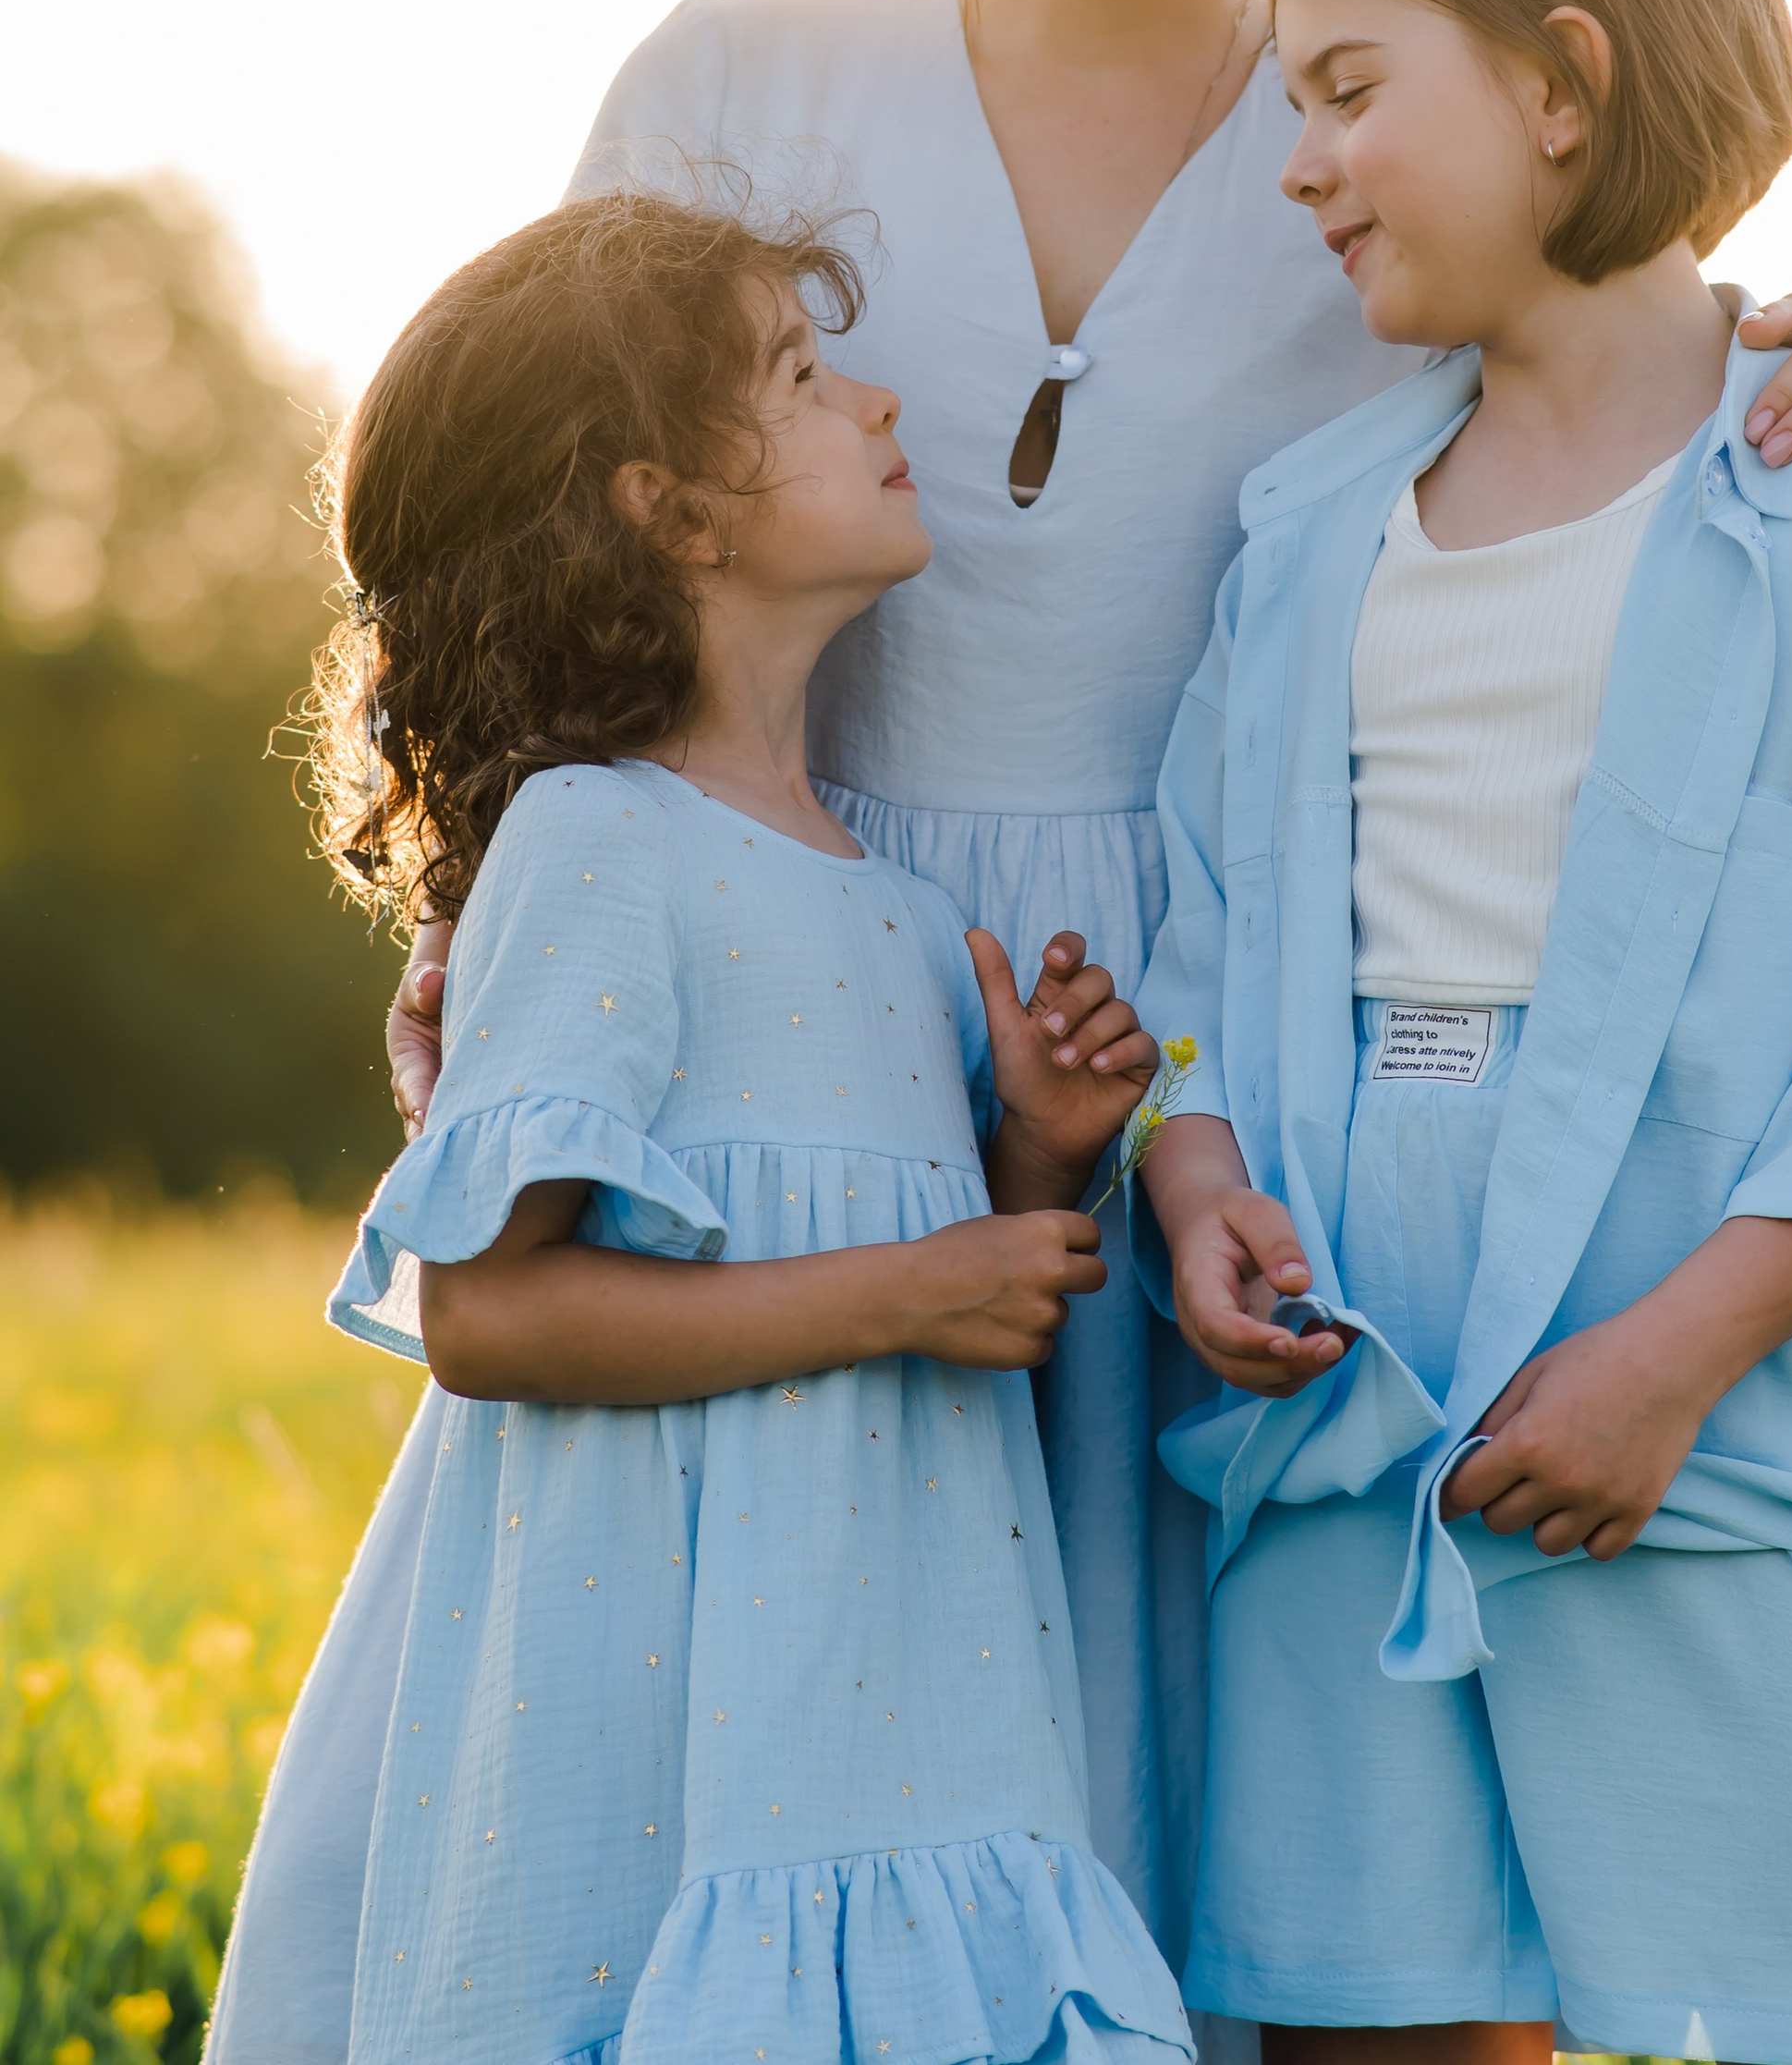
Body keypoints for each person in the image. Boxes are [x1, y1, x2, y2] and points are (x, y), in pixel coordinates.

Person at [215, 0, 1792, 2058]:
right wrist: (481, 922)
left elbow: (1601, 339)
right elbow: (535, 521)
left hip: (1182, 1060)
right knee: (767, 1754)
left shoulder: (1361, 114)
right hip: (779, 1025)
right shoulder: (733, 79)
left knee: (1268, 1841)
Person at [1136, 0, 1792, 2065]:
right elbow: (1198, 952)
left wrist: (1665, 1363)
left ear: (1559, 82)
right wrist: (1194, 1184)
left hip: (1727, 1429)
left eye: (1349, 92)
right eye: (1289, 106)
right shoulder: (1305, 527)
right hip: (1354, 1422)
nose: (1299, 162)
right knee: (1369, 2018)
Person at [223, 188, 1193, 2065]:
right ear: (663, 505)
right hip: (688, 1733)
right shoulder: (599, 842)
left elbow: (917, 1286)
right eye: (806, 376)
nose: (882, 403)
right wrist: (918, 1277)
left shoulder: (897, 905)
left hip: (897, 1706)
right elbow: (493, 1313)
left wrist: (1037, 1167)